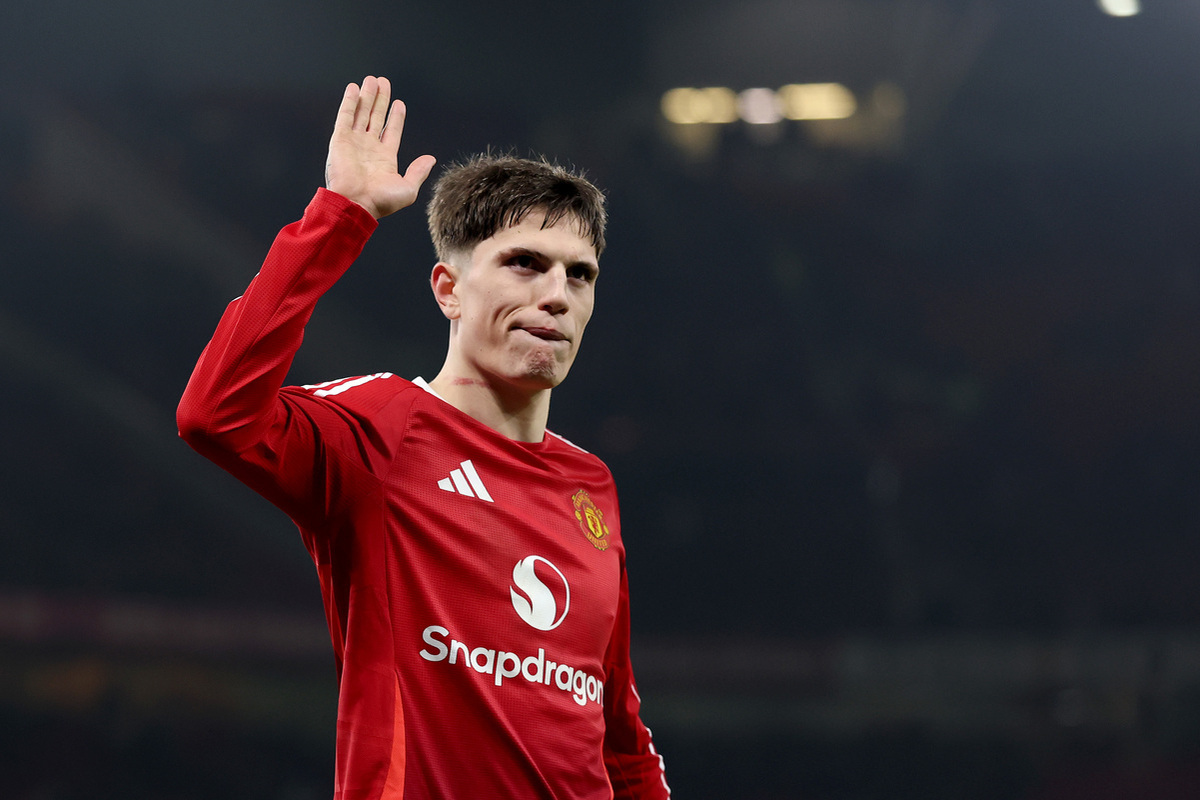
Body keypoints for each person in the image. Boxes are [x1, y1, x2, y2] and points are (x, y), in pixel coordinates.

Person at [176, 76, 670, 799]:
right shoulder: (382, 429)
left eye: (580, 275)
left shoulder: (590, 484)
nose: (557, 294)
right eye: (524, 263)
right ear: (448, 289)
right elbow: (214, 415)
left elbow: (618, 734)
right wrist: (340, 216)